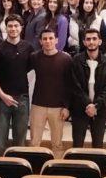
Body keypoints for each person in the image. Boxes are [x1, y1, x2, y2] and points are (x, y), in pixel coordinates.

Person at [0, 14, 34, 155]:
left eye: (16, 26)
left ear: (21, 28)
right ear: (5, 28)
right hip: (2, 100)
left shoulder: (29, 48)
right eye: (10, 26)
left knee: (20, 142)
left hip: (22, 99)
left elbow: (30, 71)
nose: (13, 29)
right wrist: (3, 96)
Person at [30, 29, 74, 157]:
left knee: (57, 144)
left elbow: (70, 84)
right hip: (38, 105)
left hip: (58, 107)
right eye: (45, 39)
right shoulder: (34, 57)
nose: (48, 41)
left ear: (56, 40)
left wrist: (67, 107)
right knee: (34, 143)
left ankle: (57, 166)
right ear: (40, 41)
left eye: (51, 38)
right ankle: (34, 167)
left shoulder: (66, 59)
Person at [71, 28, 106, 148]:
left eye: (94, 39)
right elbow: (75, 86)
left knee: (98, 145)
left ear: (100, 41)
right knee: (77, 144)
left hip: (100, 109)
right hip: (80, 108)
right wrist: (88, 104)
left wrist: (95, 106)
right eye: (88, 39)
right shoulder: (76, 60)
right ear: (84, 42)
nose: (91, 42)